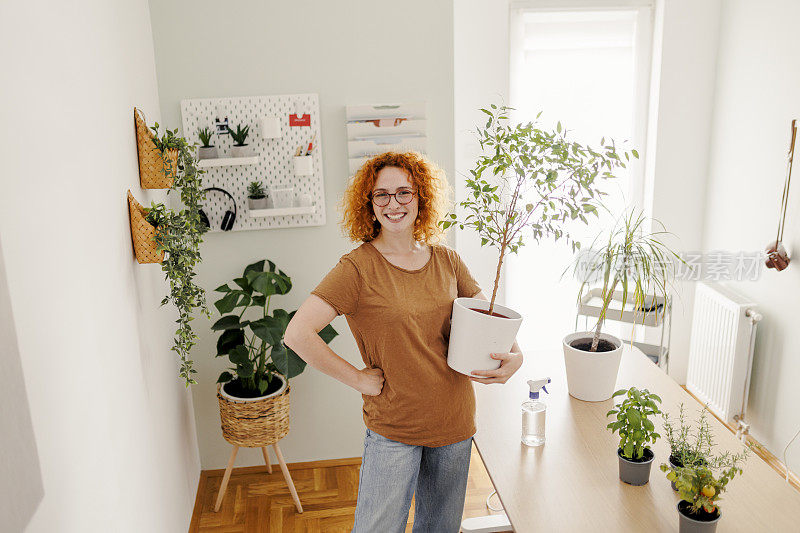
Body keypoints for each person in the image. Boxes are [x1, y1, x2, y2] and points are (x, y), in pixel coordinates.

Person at [284, 151, 523, 533]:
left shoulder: (448, 261)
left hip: (454, 422)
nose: (393, 204)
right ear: (370, 204)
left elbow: (491, 322)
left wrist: (516, 356)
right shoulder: (357, 268)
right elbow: (297, 334)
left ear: (420, 198)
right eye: (382, 195)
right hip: (394, 428)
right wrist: (359, 379)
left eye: (403, 193)